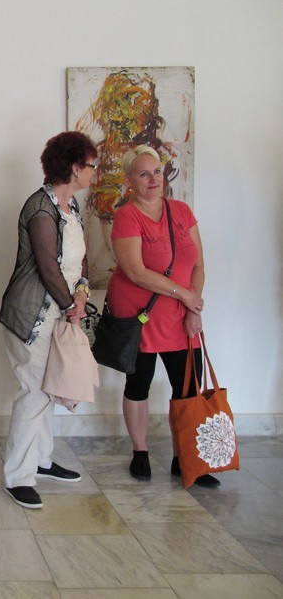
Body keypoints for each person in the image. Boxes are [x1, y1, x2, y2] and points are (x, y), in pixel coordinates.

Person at [105, 145, 217, 487]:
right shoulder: (127, 216)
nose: (154, 180)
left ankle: (184, 458)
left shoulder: (182, 211)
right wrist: (184, 295)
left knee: (188, 389)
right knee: (139, 383)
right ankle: (140, 452)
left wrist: (193, 306)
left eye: (157, 172)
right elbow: (136, 272)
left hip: (182, 315)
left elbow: (198, 265)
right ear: (129, 180)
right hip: (141, 315)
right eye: (144, 174)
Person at [0, 131, 96, 509]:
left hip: (61, 310)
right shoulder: (39, 207)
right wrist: (71, 305)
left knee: (48, 388)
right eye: (90, 166)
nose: (94, 172)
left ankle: (41, 460)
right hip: (32, 314)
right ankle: (18, 477)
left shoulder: (71, 207)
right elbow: (47, 267)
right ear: (74, 167)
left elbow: (78, 263)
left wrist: (81, 295)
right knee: (34, 391)